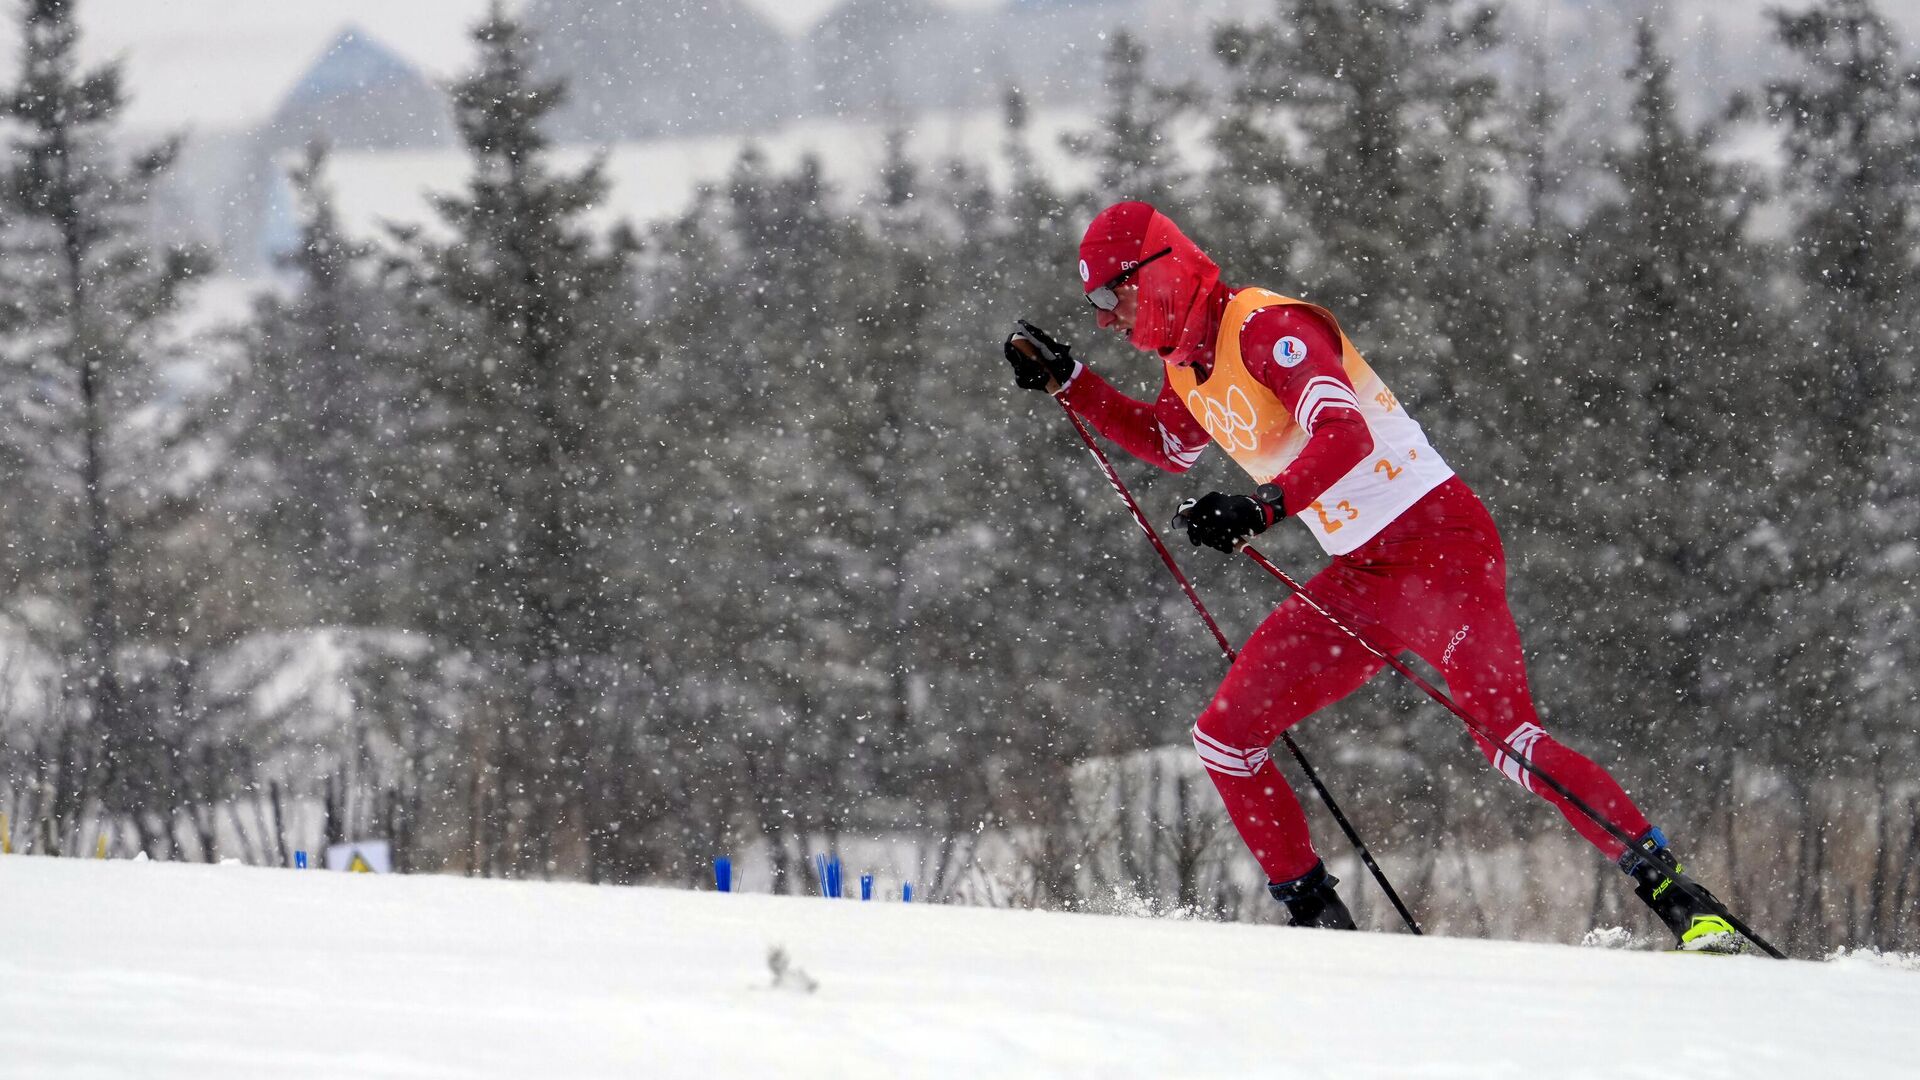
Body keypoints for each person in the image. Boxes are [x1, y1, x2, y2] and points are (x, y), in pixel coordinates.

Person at [1004, 200, 1740, 950]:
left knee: (1507, 742)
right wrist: (1072, 382)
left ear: (1155, 271)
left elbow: (1344, 432)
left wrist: (1257, 511)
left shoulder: (1266, 329)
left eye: (1109, 297)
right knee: (1227, 738)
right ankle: (1323, 931)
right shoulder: (1187, 367)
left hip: (1441, 549)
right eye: (1093, 307)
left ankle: (1679, 895)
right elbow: (1167, 440)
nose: (1106, 319)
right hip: (1364, 575)